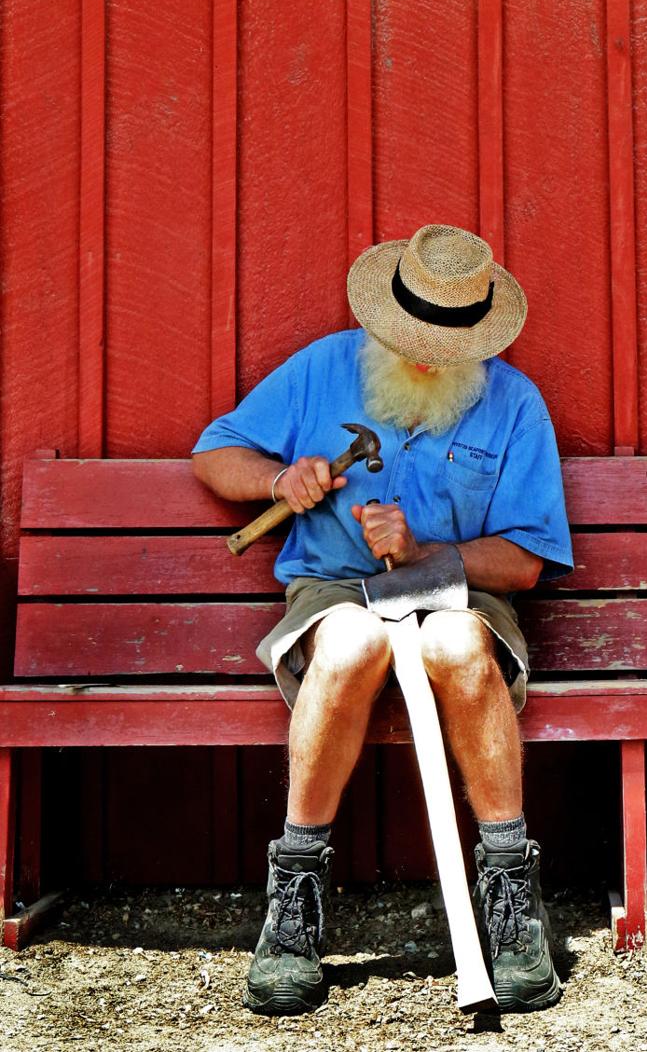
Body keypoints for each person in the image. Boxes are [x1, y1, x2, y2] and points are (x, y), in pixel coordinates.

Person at [192, 223, 572, 1017]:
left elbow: (528, 561)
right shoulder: (323, 369)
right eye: (411, 338)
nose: (425, 355)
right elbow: (213, 455)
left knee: (461, 645)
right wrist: (278, 481)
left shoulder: (513, 404)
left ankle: (510, 901)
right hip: (333, 590)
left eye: (442, 343)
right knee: (348, 644)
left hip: (456, 595)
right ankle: (293, 908)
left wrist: (430, 548)